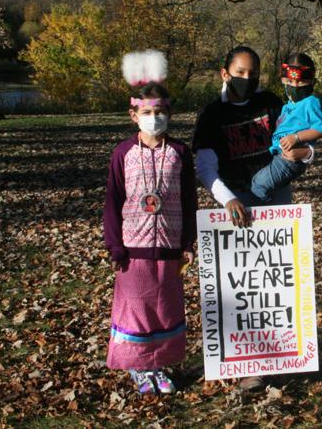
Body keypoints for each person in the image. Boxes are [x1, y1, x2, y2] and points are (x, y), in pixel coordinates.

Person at [192, 46, 313, 391]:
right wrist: (228, 199)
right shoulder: (213, 114)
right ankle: (248, 364)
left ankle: (281, 354)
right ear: (225, 73)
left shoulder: (274, 103)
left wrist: (307, 154)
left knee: (276, 283)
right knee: (243, 286)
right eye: (240, 72)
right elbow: (204, 167)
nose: (247, 79)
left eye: (253, 73)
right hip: (237, 205)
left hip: (276, 199)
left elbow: (302, 143)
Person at [103, 50, 198, 395]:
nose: (154, 118)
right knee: (136, 309)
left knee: (163, 308)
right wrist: (115, 246)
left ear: (168, 114)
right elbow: (113, 200)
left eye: (160, 112)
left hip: (170, 247)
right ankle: (138, 367)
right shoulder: (123, 153)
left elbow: (189, 199)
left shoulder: (180, 153)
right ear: (134, 115)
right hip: (134, 248)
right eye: (147, 113)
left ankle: (157, 366)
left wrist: (187, 242)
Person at [250, 53, 322, 202]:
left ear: (312, 82)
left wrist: (296, 138)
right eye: (291, 81)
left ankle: (266, 214)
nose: (295, 86)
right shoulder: (288, 105)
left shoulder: (311, 102)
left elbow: (321, 129)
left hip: (288, 159)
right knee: (257, 183)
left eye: (301, 82)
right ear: (284, 80)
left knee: (258, 187)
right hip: (278, 157)